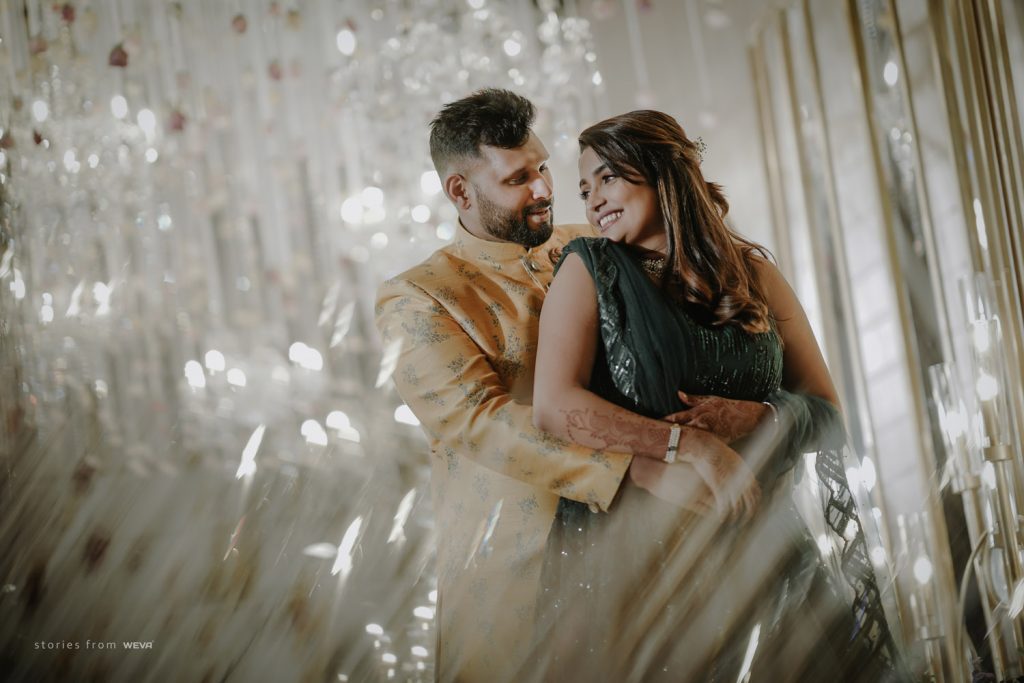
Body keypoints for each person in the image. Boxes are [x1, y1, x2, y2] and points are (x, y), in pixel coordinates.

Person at [528, 110, 908, 681]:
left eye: (608, 178)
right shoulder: (591, 269)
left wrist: (762, 416)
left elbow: (829, 416)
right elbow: (553, 406)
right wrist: (690, 445)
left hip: (762, 552)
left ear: (662, 173)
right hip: (640, 558)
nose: (594, 201)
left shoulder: (756, 275)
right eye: (585, 189)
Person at [376, 90, 736, 681]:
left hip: (659, 555)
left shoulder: (594, 242)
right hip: (525, 573)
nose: (545, 188)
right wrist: (636, 463)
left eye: (543, 167)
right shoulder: (420, 296)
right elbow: (478, 421)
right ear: (460, 192)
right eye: (519, 178)